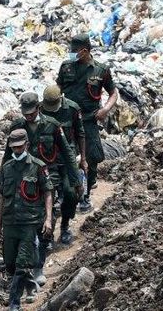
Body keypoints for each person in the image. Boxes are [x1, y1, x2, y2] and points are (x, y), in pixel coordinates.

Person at [3, 92, 83, 287]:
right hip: (24, 181)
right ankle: (22, 267)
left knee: (47, 219)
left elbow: (67, 152)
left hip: (49, 175)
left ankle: (39, 265)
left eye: (31, 113)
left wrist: (76, 180)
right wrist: (2, 183)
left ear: (38, 108)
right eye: (25, 113)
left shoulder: (52, 126)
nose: (28, 116)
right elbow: (6, 157)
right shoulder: (17, 128)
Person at [56, 34, 118, 212]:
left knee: (91, 158)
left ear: (84, 51)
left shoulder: (100, 70)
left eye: (74, 51)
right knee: (64, 157)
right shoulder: (66, 67)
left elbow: (113, 93)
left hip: (89, 120)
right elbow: (58, 88)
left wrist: (105, 110)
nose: (71, 54)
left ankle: (86, 195)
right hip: (67, 120)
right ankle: (63, 195)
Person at [0, 129, 54, 311]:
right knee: (11, 265)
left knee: (22, 264)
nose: (17, 151)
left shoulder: (38, 166)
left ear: (27, 145)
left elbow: (47, 193)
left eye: (20, 147)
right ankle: (29, 285)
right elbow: (2, 199)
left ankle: (14, 303)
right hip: (10, 223)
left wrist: (48, 219)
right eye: (14, 148)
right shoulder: (6, 168)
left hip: (29, 223)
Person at [41, 84, 87, 245]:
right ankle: (48, 234)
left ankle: (65, 225)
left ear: (61, 98)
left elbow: (80, 133)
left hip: (69, 160)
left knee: (70, 193)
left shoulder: (72, 109)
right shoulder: (41, 110)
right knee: (48, 197)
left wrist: (83, 159)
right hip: (49, 160)